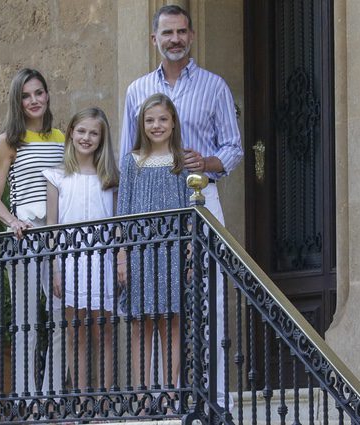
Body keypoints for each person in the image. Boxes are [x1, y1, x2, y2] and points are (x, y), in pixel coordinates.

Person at [119, 5, 244, 405]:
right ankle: (154, 399)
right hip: (148, 204)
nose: (175, 39)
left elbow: (234, 147)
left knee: (206, 296)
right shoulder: (137, 90)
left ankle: (214, 397)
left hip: (200, 195)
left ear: (192, 36)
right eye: (167, 33)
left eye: (182, 32)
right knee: (151, 301)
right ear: (154, 39)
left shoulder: (214, 86)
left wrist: (206, 163)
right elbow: (127, 151)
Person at [0, 68, 65, 395]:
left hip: (59, 239)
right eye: (26, 95)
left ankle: (53, 396)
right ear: (17, 102)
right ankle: (27, 400)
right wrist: (13, 222)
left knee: (62, 321)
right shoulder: (9, 140)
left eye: (39, 93)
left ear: (47, 95)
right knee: (27, 324)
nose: (34, 100)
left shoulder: (62, 138)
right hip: (25, 239)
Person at [43, 107, 120, 391]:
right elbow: (51, 227)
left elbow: (117, 225)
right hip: (69, 262)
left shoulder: (111, 179)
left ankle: (104, 399)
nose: (87, 138)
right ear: (71, 133)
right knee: (76, 333)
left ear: (102, 138)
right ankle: (82, 398)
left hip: (102, 261)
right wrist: (54, 269)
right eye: (82, 131)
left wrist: (119, 261)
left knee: (104, 331)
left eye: (94, 133)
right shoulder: (57, 177)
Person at [117, 93, 191, 389]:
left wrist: (188, 255)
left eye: (162, 119)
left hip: (172, 252)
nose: (156, 125)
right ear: (141, 125)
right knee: (140, 324)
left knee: (171, 322)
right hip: (139, 253)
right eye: (150, 120)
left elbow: (190, 213)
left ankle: (170, 392)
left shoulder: (181, 162)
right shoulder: (132, 162)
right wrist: (121, 255)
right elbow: (122, 214)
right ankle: (142, 395)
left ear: (173, 123)